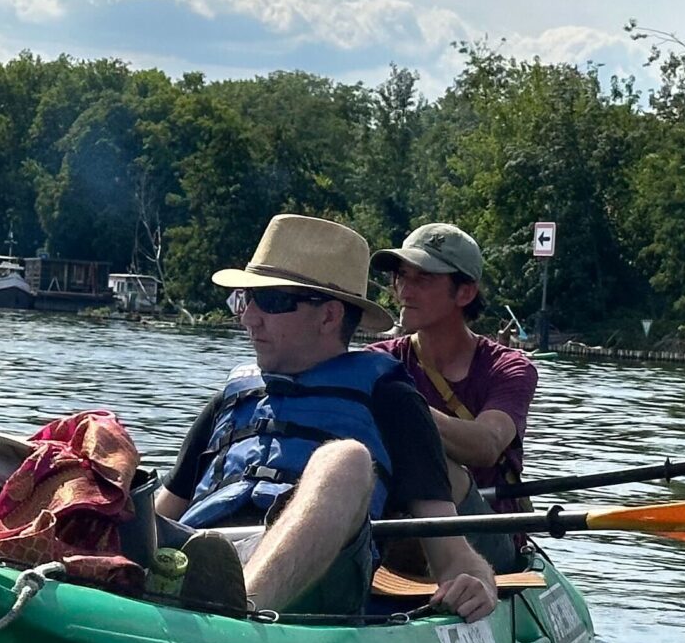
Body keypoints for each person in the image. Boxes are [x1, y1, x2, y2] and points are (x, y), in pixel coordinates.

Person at [155, 214, 497, 622]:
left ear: (329, 316)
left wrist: (477, 583)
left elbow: (451, 554)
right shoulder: (233, 396)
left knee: (347, 457)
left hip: (322, 580)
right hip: (194, 550)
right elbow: (161, 514)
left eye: (271, 301)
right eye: (246, 298)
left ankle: (238, 610)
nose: (248, 317)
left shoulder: (391, 400)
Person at [369, 223, 536, 497]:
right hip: (401, 514)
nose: (404, 292)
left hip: (483, 518)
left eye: (423, 279)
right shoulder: (377, 361)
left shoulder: (508, 368)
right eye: (402, 276)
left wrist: (401, 404)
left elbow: (487, 445)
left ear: (465, 293)